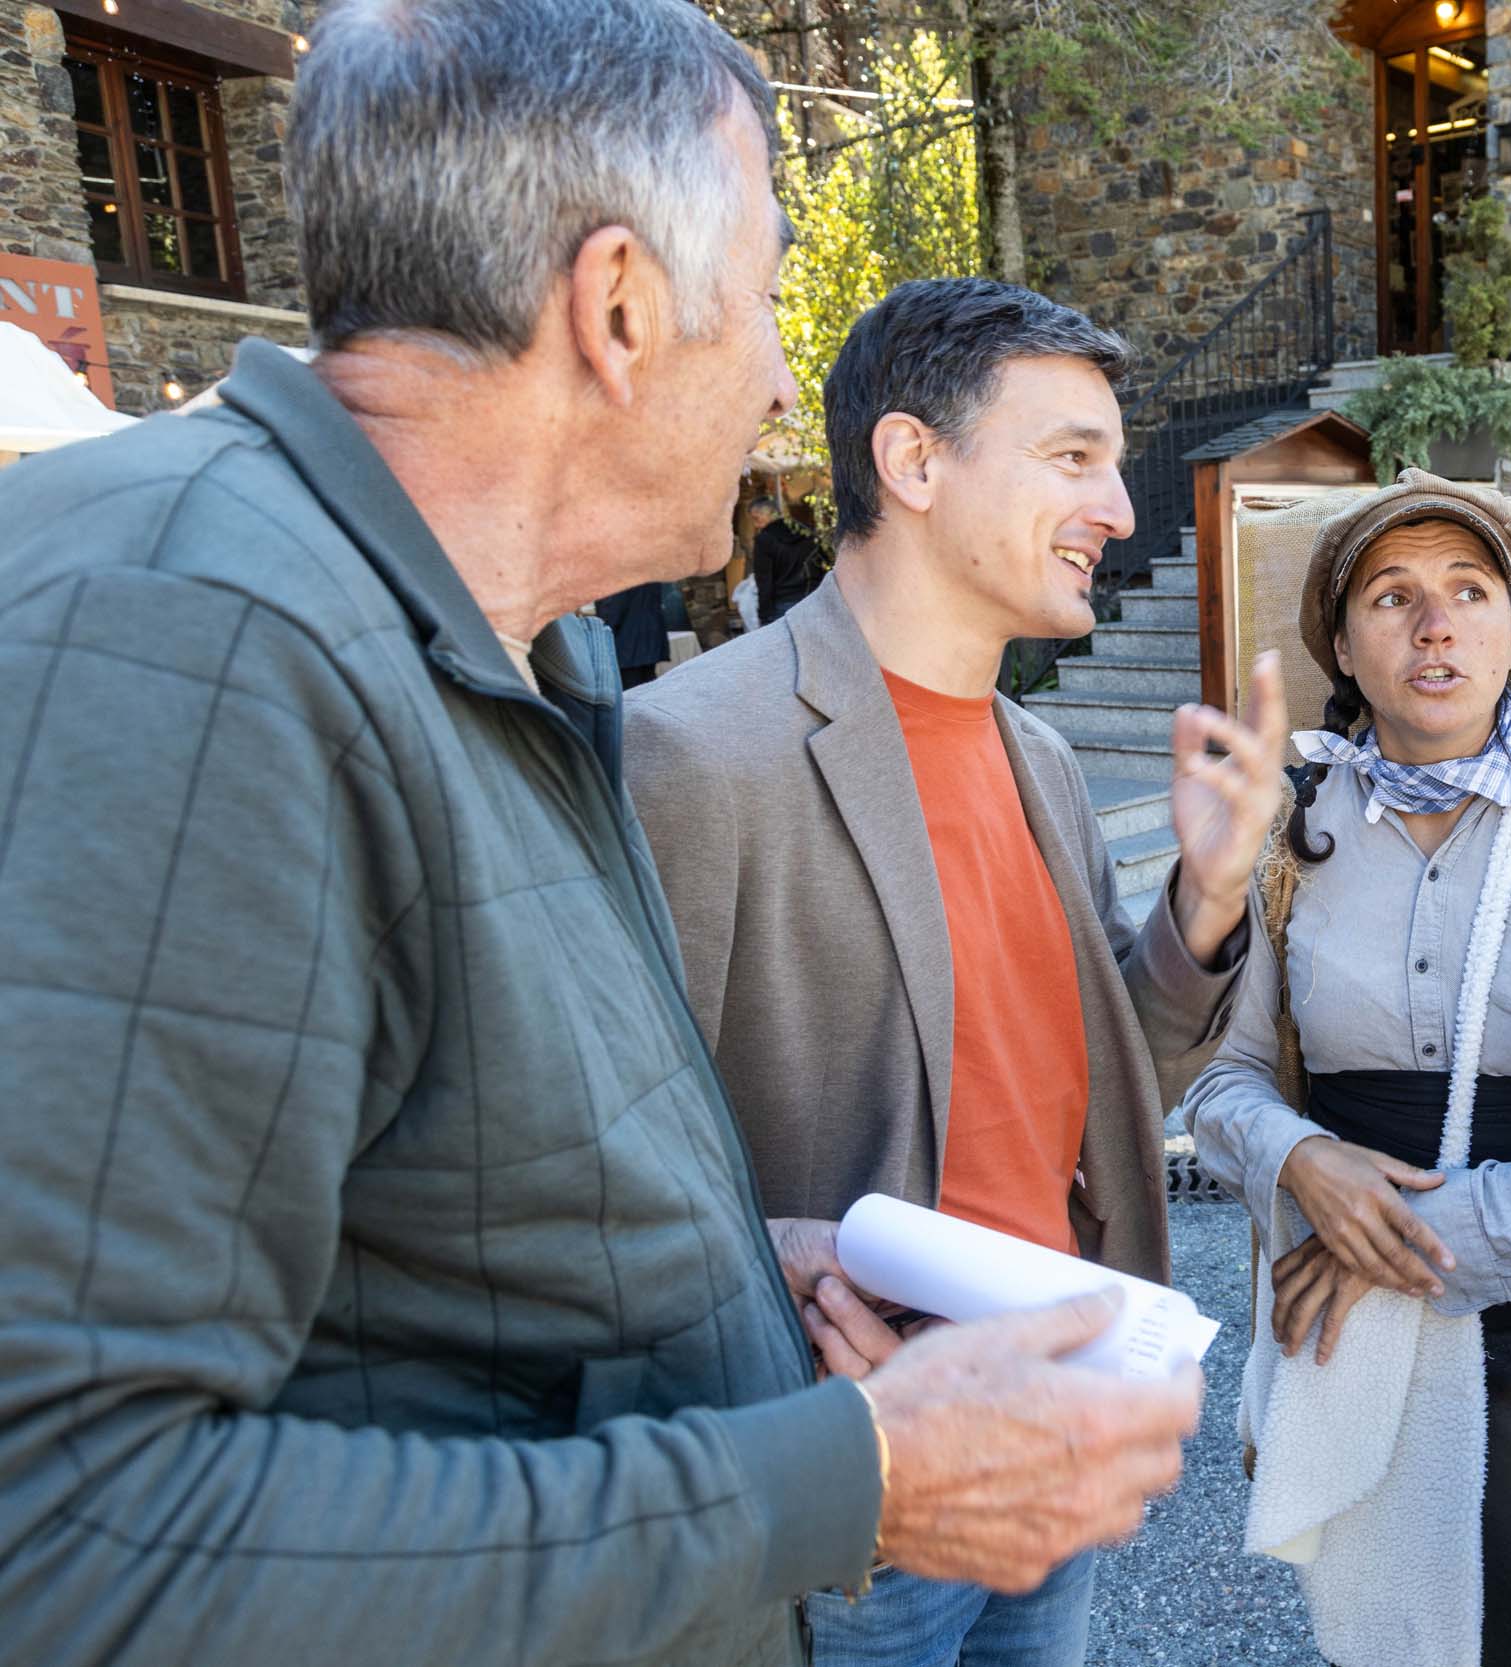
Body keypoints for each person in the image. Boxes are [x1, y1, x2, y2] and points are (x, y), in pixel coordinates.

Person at [0, 3, 1201, 1662]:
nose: (792, 372)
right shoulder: (187, 643)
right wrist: (843, 1477)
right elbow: (64, 1544)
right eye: (776, 286)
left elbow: (434, 1234)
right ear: (620, 307)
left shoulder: (513, 650)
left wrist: (723, 1266)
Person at [622, 276, 1278, 1667]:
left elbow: (1106, 1092)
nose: (1115, 506)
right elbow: (595, 1165)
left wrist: (1206, 899)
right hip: (854, 1471)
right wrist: (768, 1281)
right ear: (913, 460)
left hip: (1050, 1406)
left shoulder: (1039, 759)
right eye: (1073, 459)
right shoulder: (689, 750)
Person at [1183, 480, 1511, 1667]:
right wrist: (1306, 1159)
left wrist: (1395, 1251)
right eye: (1393, 597)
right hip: (1369, 1366)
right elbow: (1219, 1088)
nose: (1436, 625)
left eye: (1469, 593)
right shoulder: (1292, 842)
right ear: (1341, 645)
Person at [749, 495, 823, 624]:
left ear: (769, 514)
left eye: (756, 519)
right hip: (812, 598)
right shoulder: (804, 531)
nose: (755, 525)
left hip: (783, 604)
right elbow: (820, 564)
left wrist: (764, 614)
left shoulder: (764, 540)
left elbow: (764, 580)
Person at [597, 577, 669, 685]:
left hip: (627, 643)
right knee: (649, 685)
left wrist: (600, 630)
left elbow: (614, 612)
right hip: (649, 637)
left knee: (633, 690)